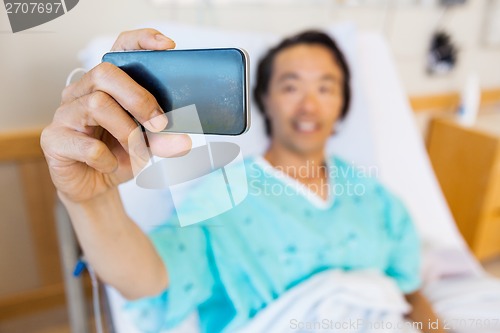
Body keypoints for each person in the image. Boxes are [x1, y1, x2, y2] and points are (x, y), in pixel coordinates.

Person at [41, 28, 445, 332]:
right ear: (265, 98)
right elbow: (150, 280)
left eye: (326, 87)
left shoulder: (374, 196)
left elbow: (408, 290)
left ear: (342, 104)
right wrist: (90, 200)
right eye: (291, 86)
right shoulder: (226, 195)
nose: (309, 104)